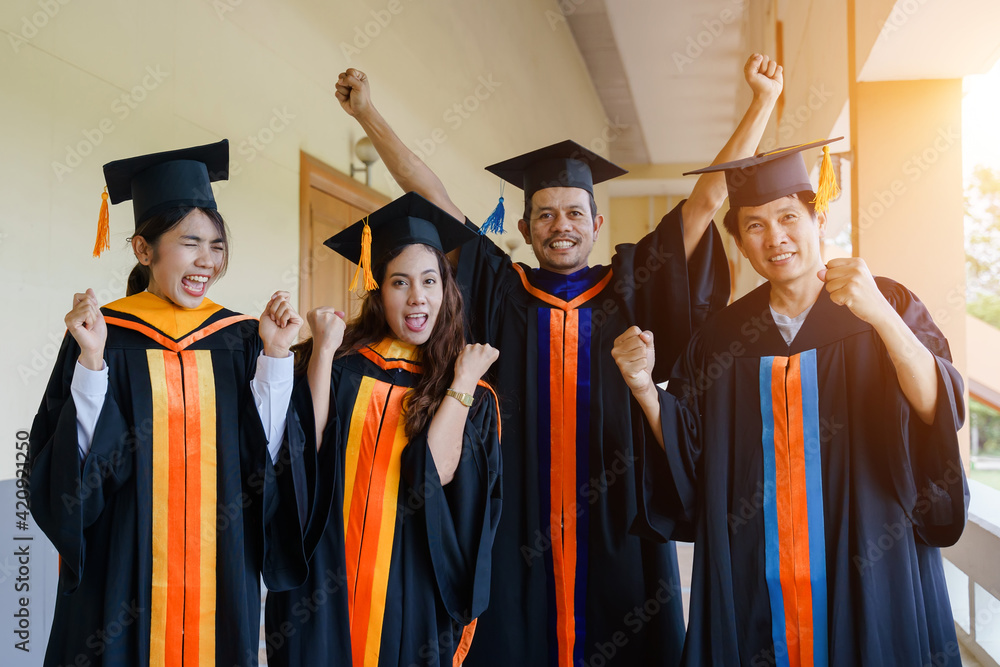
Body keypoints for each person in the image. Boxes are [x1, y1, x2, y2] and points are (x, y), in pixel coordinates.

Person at [334, 54, 782, 666]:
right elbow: (431, 196)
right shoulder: (502, 286)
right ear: (524, 224)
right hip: (519, 516)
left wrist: (759, 105)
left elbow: (705, 202)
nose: (560, 225)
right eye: (544, 214)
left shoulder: (632, 283)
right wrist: (368, 114)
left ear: (596, 223)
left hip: (617, 511)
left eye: (574, 213)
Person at [613, 139, 968, 665]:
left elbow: (937, 407)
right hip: (756, 569)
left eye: (787, 217)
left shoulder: (883, 300)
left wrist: (880, 316)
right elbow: (692, 456)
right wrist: (645, 388)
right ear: (739, 240)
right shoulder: (720, 338)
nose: (774, 238)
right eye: (754, 225)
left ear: (817, 217)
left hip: (869, 555)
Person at [28, 140, 322, 667]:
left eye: (216, 245)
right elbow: (72, 476)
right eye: (190, 243)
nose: (206, 261)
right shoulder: (105, 334)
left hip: (216, 570)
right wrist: (92, 363)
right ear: (144, 250)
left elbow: (271, 457)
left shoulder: (239, 338)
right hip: (122, 570)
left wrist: (277, 358)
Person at [264, 192, 503, 667]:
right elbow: (302, 450)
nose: (418, 297)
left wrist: (461, 383)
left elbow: (436, 475)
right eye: (400, 282)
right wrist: (324, 353)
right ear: (377, 290)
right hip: (325, 572)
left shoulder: (466, 385)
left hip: (408, 577)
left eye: (430, 281)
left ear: (446, 289)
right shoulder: (341, 364)